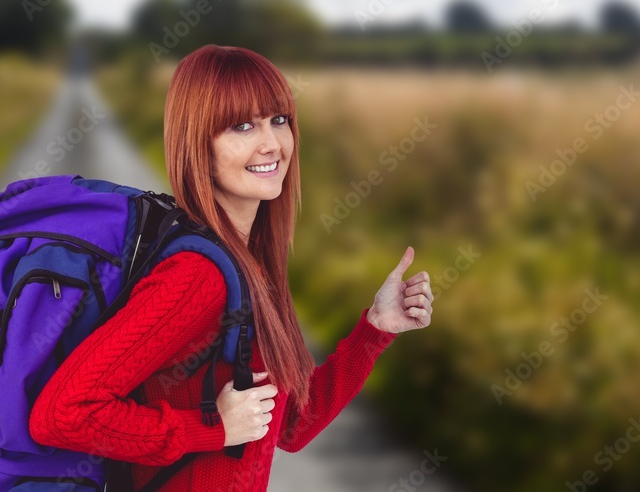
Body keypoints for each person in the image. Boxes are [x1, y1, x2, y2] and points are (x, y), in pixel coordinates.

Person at [29, 44, 434, 491]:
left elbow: (291, 427)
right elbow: (62, 414)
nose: (271, 144)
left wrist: (375, 329)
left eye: (278, 120)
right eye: (242, 126)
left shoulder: (250, 264)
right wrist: (210, 427)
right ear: (198, 144)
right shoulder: (197, 276)